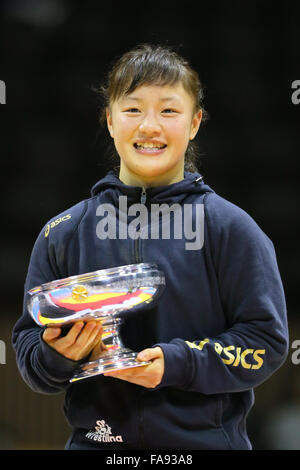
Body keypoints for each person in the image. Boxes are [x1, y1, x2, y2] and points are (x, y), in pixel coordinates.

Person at [12, 43, 289, 450]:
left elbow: (266, 342)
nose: (149, 126)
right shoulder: (65, 231)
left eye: (169, 110)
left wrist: (179, 363)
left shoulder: (231, 228)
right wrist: (58, 356)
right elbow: (31, 356)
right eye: (133, 109)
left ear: (195, 123)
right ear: (109, 120)